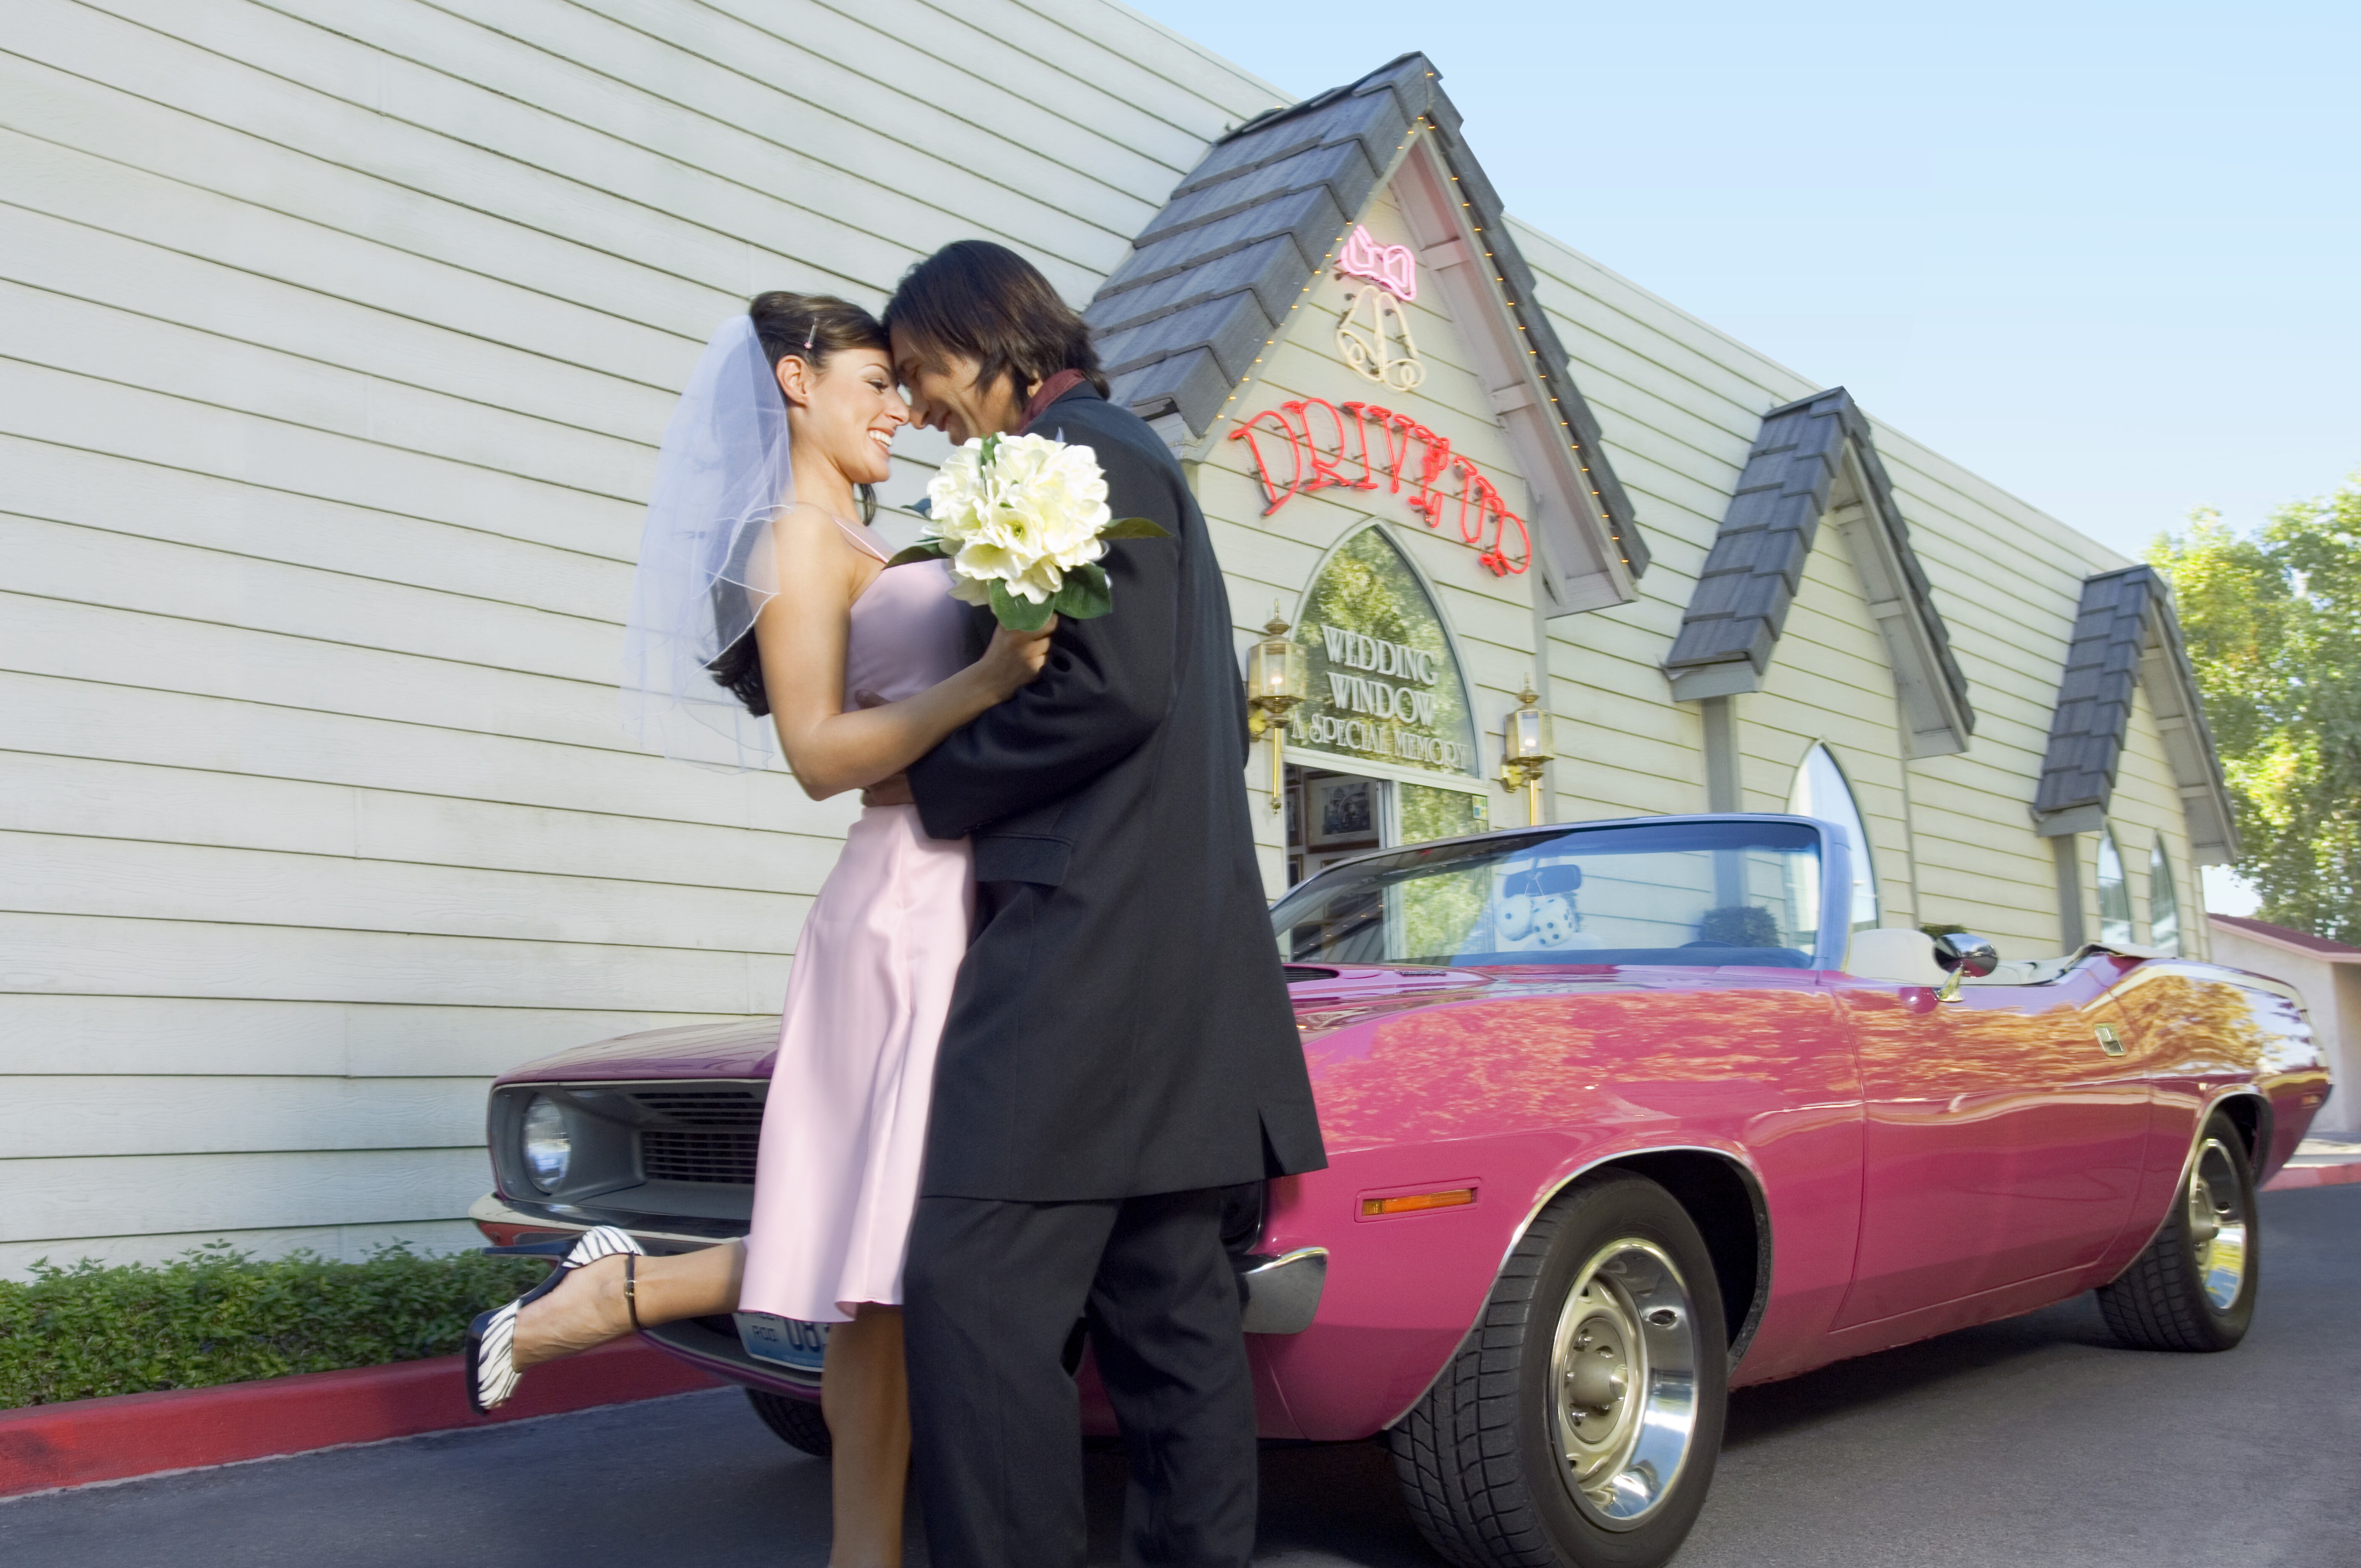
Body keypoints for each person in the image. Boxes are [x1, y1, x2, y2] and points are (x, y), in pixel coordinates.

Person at [461, 290, 1053, 1568]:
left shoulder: (867, 528)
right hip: (900, 905)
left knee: (882, 1262)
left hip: (961, 889)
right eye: (873, 383)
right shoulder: (792, 539)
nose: (900, 407)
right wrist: (992, 676)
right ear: (796, 382)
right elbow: (817, 754)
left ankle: (644, 1297)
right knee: (882, 1248)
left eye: (906, 387)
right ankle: (647, 1302)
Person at [879, 240, 1329, 1568]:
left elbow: (1107, 691)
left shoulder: (1069, 456)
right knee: (1169, 1326)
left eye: (923, 372)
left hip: (1080, 975)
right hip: (1169, 984)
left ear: (993, 337)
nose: (916, 406)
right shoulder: (1120, 451)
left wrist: (930, 772)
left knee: (967, 1292)